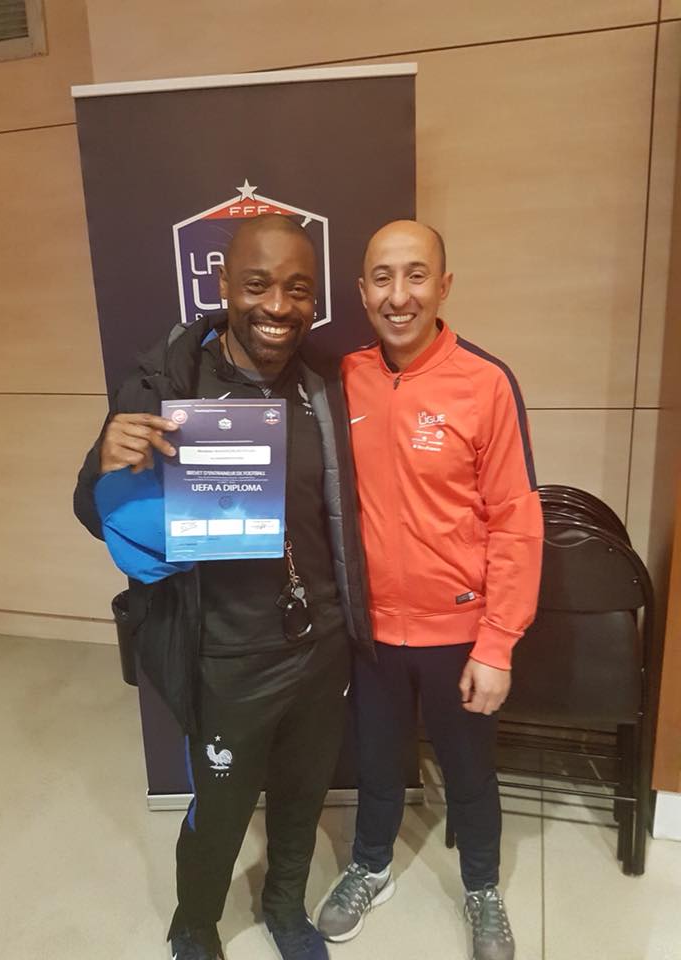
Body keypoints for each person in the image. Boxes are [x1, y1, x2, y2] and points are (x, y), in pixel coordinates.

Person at [73, 215, 373, 960]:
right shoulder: (166, 385)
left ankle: (284, 907)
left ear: (314, 300)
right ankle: (195, 920)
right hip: (224, 652)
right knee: (222, 804)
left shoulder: (324, 387)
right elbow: (91, 510)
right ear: (222, 285)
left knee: (303, 793)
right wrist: (105, 460)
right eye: (258, 284)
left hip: (319, 644)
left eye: (297, 289)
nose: (277, 306)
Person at [316, 220, 544, 960]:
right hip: (372, 631)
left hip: (460, 633)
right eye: (382, 278)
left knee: (470, 773)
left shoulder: (485, 383)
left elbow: (516, 520)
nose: (399, 295)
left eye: (416, 275)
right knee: (378, 763)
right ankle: (370, 866)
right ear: (362, 291)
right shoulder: (343, 379)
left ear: (443, 286)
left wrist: (498, 644)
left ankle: (482, 887)